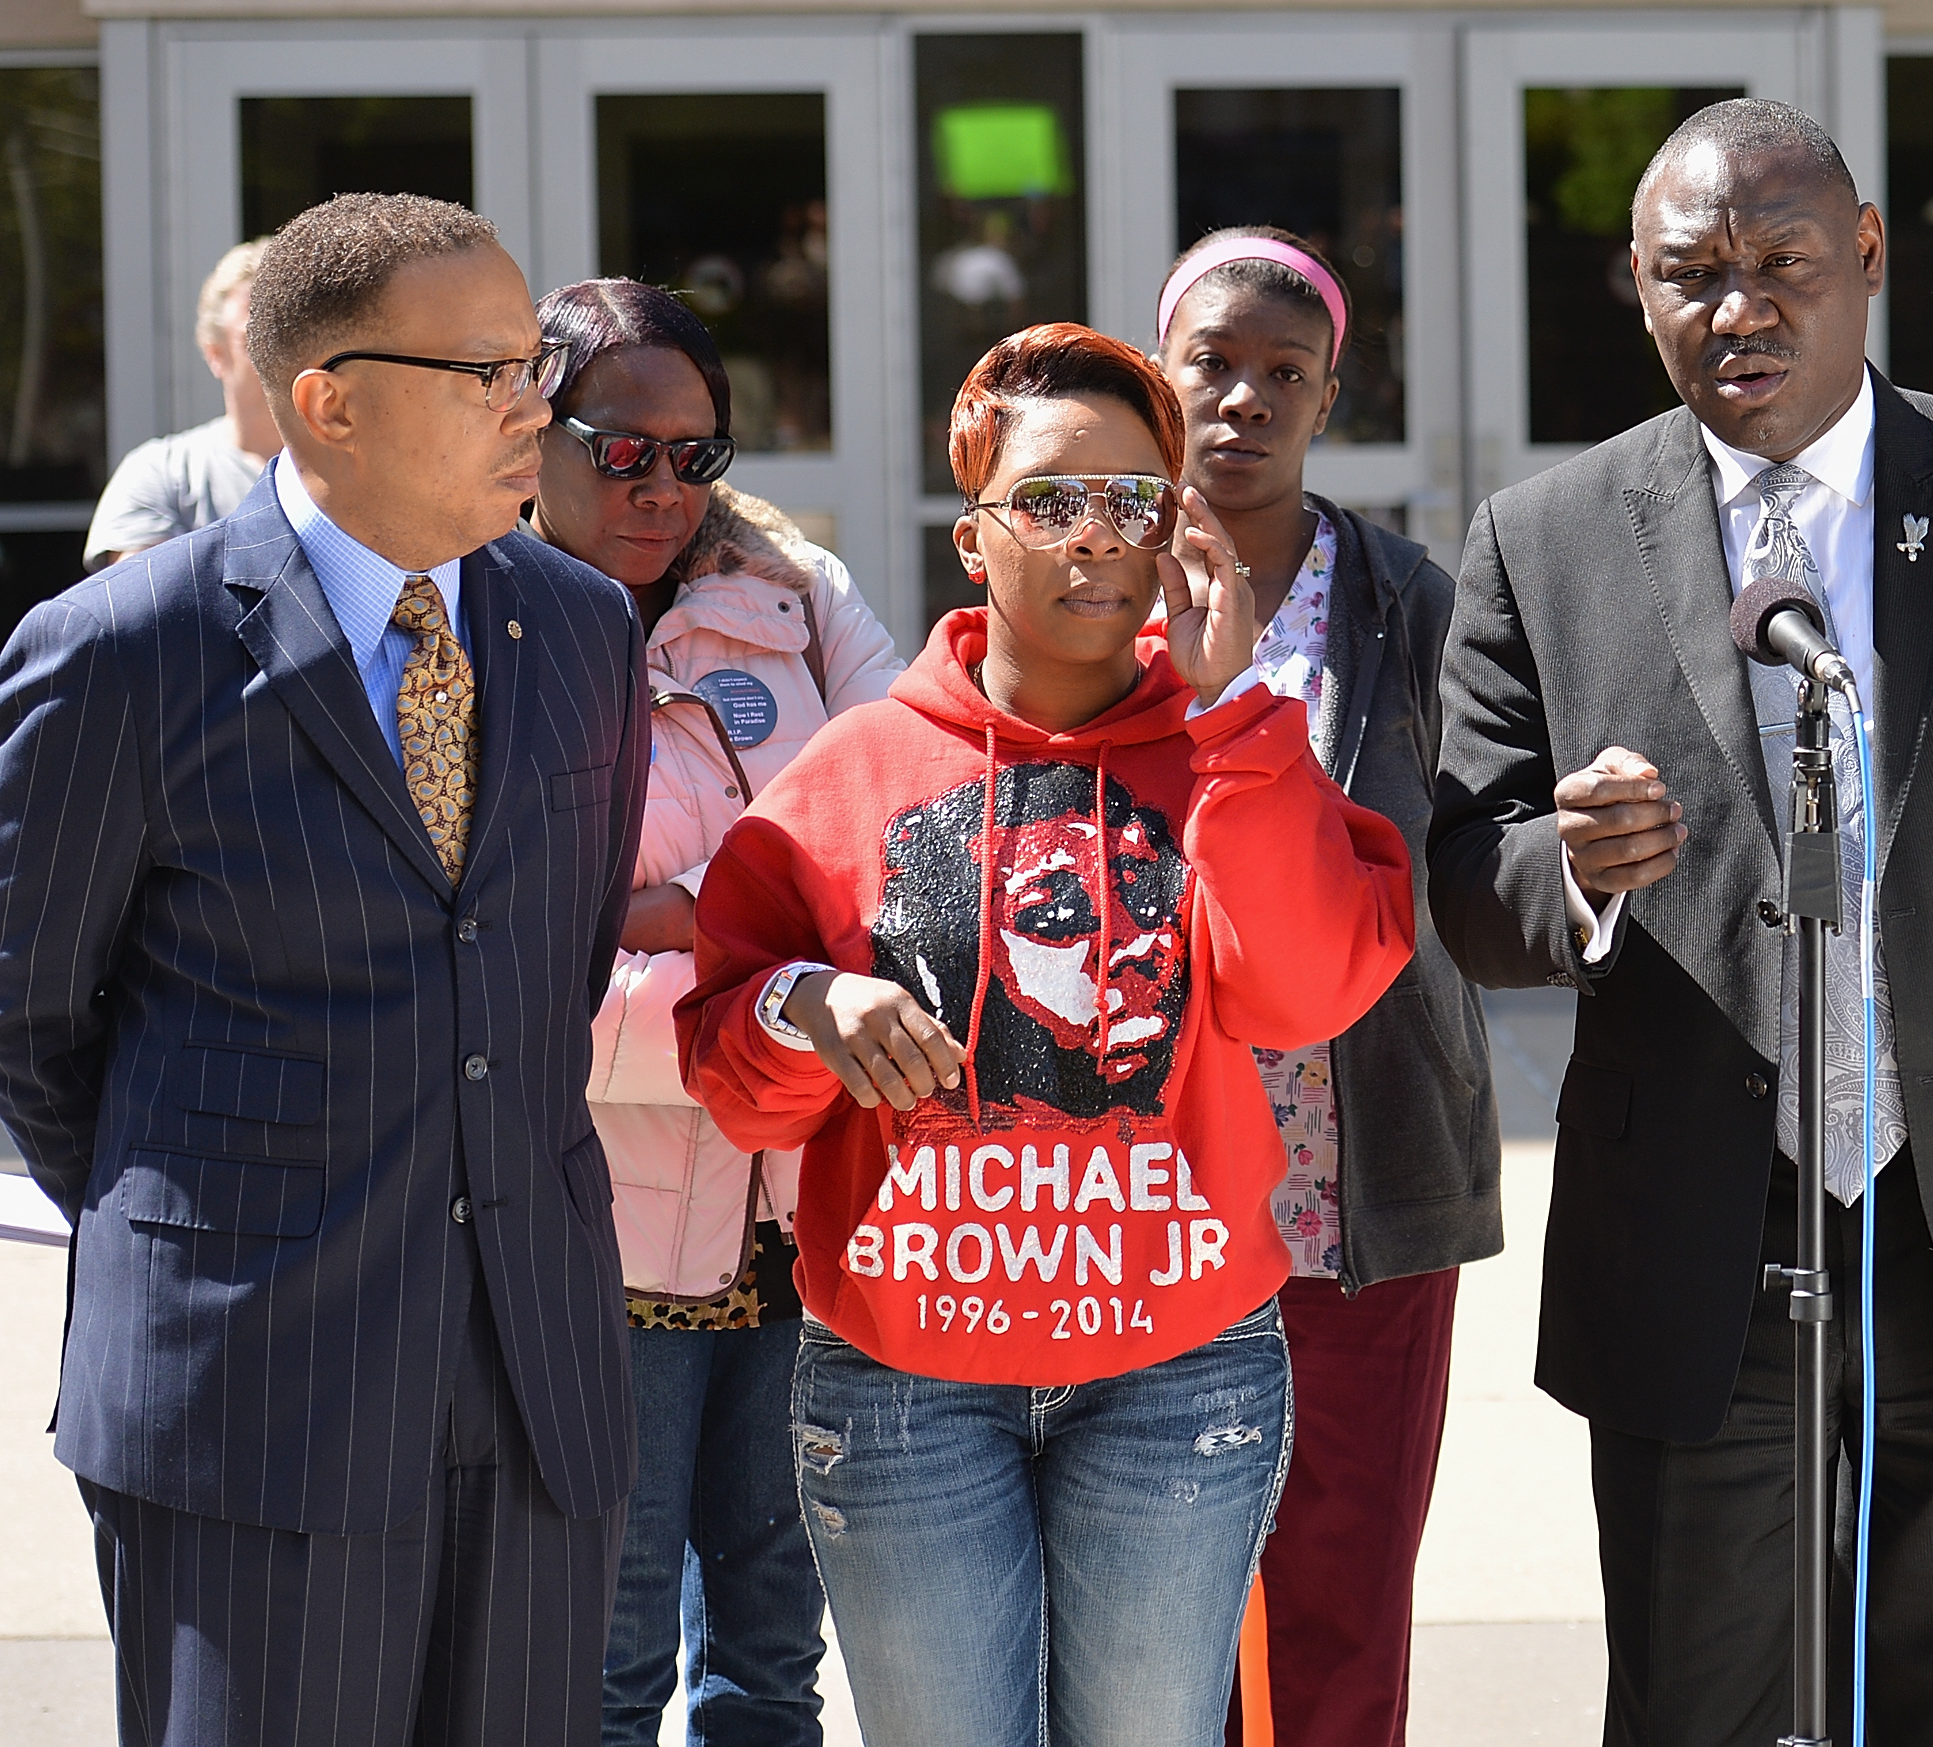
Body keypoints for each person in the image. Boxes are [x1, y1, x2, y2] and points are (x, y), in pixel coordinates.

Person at [1429, 99, 1933, 1747]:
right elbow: (1462, 873)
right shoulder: (1546, 538)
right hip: (1695, 1247)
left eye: (1784, 263)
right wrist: (1566, 864)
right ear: (1638, 294)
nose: (1742, 309)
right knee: (1701, 1710)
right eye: (1693, 275)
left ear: (1865, 258)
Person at [677, 323, 1416, 1745]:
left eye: (1134, 502)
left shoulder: (1236, 749)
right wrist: (801, 1004)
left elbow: (1313, 988)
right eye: (1050, 501)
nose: (1095, 536)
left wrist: (1232, 713)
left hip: (1177, 1375)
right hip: (905, 1393)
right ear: (974, 539)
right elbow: (741, 1079)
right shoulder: (856, 775)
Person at [0, 192, 650, 1745]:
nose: (533, 410)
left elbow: (543, 968)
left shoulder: (582, 627)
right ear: (329, 400)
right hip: (253, 1397)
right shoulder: (122, 646)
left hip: (534, 1381)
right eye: (487, 372)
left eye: (538, 365)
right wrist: (228, 1208)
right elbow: (30, 1018)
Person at [521, 278, 904, 1747]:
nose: (664, 488)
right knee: (602, 1664)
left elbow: (896, 851)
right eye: (623, 449)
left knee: (767, 1652)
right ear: (530, 429)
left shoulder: (795, 601)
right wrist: (762, 974)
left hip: (797, 1224)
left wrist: (650, 916)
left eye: (698, 454)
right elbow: (493, 979)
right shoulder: (467, 633)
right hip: (593, 1237)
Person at [1151, 226, 1504, 1747]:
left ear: (1331, 396)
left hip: (1352, 1179)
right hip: (1141, 1185)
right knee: (1150, 1609)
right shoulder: (1095, 581)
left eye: (1282, 374)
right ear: (1158, 379)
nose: (1243, 399)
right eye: (1211, 365)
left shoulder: (1412, 604)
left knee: (1341, 1593)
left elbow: (1483, 839)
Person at [85, 237, 278, 567]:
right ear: (215, 353)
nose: (281, 349)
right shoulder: (162, 474)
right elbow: (146, 610)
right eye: (259, 335)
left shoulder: (369, 465)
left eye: (293, 333)